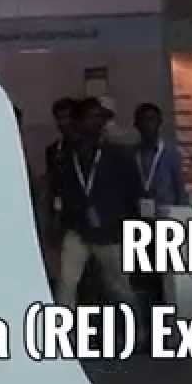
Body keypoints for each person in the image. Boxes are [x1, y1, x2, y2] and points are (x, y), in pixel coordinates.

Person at [54, 98, 141, 312]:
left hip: (109, 231)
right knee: (66, 282)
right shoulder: (66, 156)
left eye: (100, 117)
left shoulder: (119, 154)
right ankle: (62, 327)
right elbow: (61, 192)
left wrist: (125, 226)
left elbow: (133, 192)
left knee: (119, 285)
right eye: (92, 117)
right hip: (78, 229)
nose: (98, 122)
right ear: (79, 121)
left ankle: (136, 324)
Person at [132, 103, 188, 215]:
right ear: (136, 125)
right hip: (139, 215)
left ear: (159, 122)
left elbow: (180, 188)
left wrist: (183, 215)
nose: (147, 125)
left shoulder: (171, 154)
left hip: (166, 215)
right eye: (143, 120)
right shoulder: (131, 155)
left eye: (151, 119)